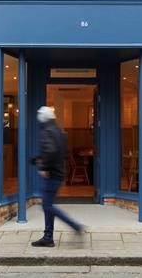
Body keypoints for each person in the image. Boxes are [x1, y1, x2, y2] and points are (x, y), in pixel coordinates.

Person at [31, 106, 84, 247]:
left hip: (51, 174)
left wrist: (44, 167)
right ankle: (48, 237)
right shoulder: (59, 131)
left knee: (47, 205)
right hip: (58, 173)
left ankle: (75, 226)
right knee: (48, 205)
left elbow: (51, 150)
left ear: (42, 118)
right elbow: (62, 152)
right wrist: (39, 158)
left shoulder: (47, 131)